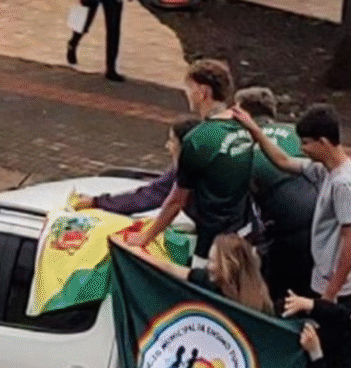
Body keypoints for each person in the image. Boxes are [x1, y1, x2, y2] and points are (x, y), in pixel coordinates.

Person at [231, 103, 351, 307]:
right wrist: (255, 130)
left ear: (323, 142)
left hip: (338, 289)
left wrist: (330, 294)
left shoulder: (343, 184)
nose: (302, 150)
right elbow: (283, 161)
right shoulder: (324, 170)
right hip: (319, 278)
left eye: (305, 143)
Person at [129, 60, 254, 266]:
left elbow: (175, 201)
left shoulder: (198, 140)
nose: (187, 94)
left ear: (204, 91)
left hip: (211, 244)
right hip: (243, 233)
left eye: (190, 88)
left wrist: (145, 237)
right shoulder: (242, 126)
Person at [233, 87, 319, 303]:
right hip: (325, 227)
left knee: (275, 297)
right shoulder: (297, 133)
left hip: (289, 236)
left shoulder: (241, 145)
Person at [71, 117, 200, 220]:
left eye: (172, 141)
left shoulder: (191, 174)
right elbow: (150, 194)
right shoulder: (189, 169)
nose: (167, 146)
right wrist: (97, 202)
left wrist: (97, 202)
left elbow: (150, 196)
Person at [115, 233, 273, 316]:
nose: (208, 266)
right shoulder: (207, 281)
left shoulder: (258, 305)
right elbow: (169, 268)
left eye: (212, 261)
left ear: (228, 266)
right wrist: (127, 249)